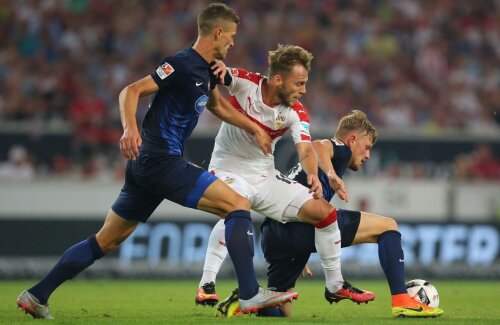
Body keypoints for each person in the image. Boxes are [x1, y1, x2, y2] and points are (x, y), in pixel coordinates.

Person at [16, 3, 297, 320]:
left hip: (147, 168)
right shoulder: (181, 63)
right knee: (237, 204)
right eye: (231, 36)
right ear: (217, 32)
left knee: (106, 240)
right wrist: (129, 129)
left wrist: (254, 128)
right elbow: (131, 91)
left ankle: (36, 295)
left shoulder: (207, 70)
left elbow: (217, 106)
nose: (233, 42)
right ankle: (249, 295)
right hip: (159, 159)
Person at [195, 44, 375, 310]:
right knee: (236, 207)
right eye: (299, 83)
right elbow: (221, 75)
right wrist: (218, 70)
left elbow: (305, 148)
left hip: (265, 175)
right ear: (278, 79)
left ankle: (335, 285)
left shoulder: (296, 112)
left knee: (325, 212)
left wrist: (313, 174)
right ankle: (207, 283)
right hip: (229, 168)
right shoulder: (248, 83)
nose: (303, 90)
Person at [216, 110, 445, 318]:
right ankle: (402, 299)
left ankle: (244, 303)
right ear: (352, 139)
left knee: (279, 308)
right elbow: (317, 145)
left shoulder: (306, 168)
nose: (367, 155)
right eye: (366, 147)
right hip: (302, 225)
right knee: (388, 226)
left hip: (274, 231)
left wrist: (298, 245)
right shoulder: (342, 149)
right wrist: (332, 175)